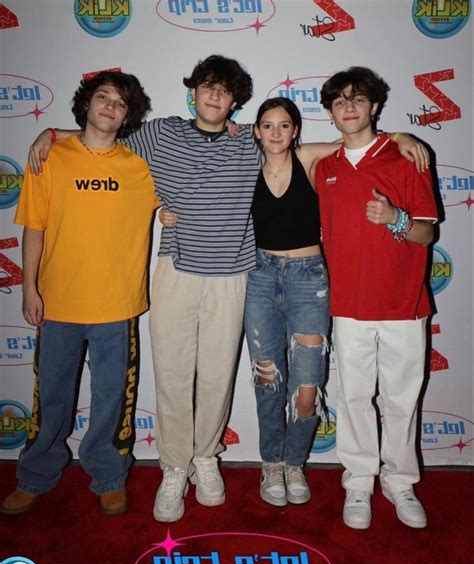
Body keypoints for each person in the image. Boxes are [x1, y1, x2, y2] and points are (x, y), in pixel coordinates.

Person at [26, 56, 428, 523]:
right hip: (177, 271)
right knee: (175, 377)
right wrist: (50, 134)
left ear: (236, 103)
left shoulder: (260, 148)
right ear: (194, 92)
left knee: (226, 379)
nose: (215, 96)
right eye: (206, 87)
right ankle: (175, 467)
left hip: (240, 275)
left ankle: (207, 458)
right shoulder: (160, 134)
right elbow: (101, 138)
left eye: (224, 91)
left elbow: (353, 143)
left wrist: (402, 136)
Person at [0, 71, 157, 516]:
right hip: (57, 302)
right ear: (86, 103)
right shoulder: (50, 157)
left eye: (120, 103)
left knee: (112, 399)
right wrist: (29, 287)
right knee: (50, 396)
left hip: (117, 305)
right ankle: (35, 475)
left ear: (128, 116)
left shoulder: (140, 165)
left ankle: (108, 475)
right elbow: (34, 226)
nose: (109, 106)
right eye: (102, 97)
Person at [315, 66, 437, 529]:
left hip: (403, 303)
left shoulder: (407, 160)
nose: (349, 106)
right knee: (354, 397)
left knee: (402, 399)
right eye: (340, 100)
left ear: (376, 106)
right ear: (330, 110)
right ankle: (360, 482)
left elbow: (426, 233)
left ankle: (399, 481)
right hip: (348, 304)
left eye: (359, 98)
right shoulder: (324, 167)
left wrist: (395, 218)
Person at [244, 97, 329, 507]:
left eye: (283, 125)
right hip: (258, 277)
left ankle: (295, 462)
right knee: (267, 379)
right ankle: (272, 464)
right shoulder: (245, 162)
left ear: (295, 130)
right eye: (267, 125)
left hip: (307, 278)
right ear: (256, 130)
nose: (275, 133)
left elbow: (360, 140)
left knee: (307, 386)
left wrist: (400, 137)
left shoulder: (308, 157)